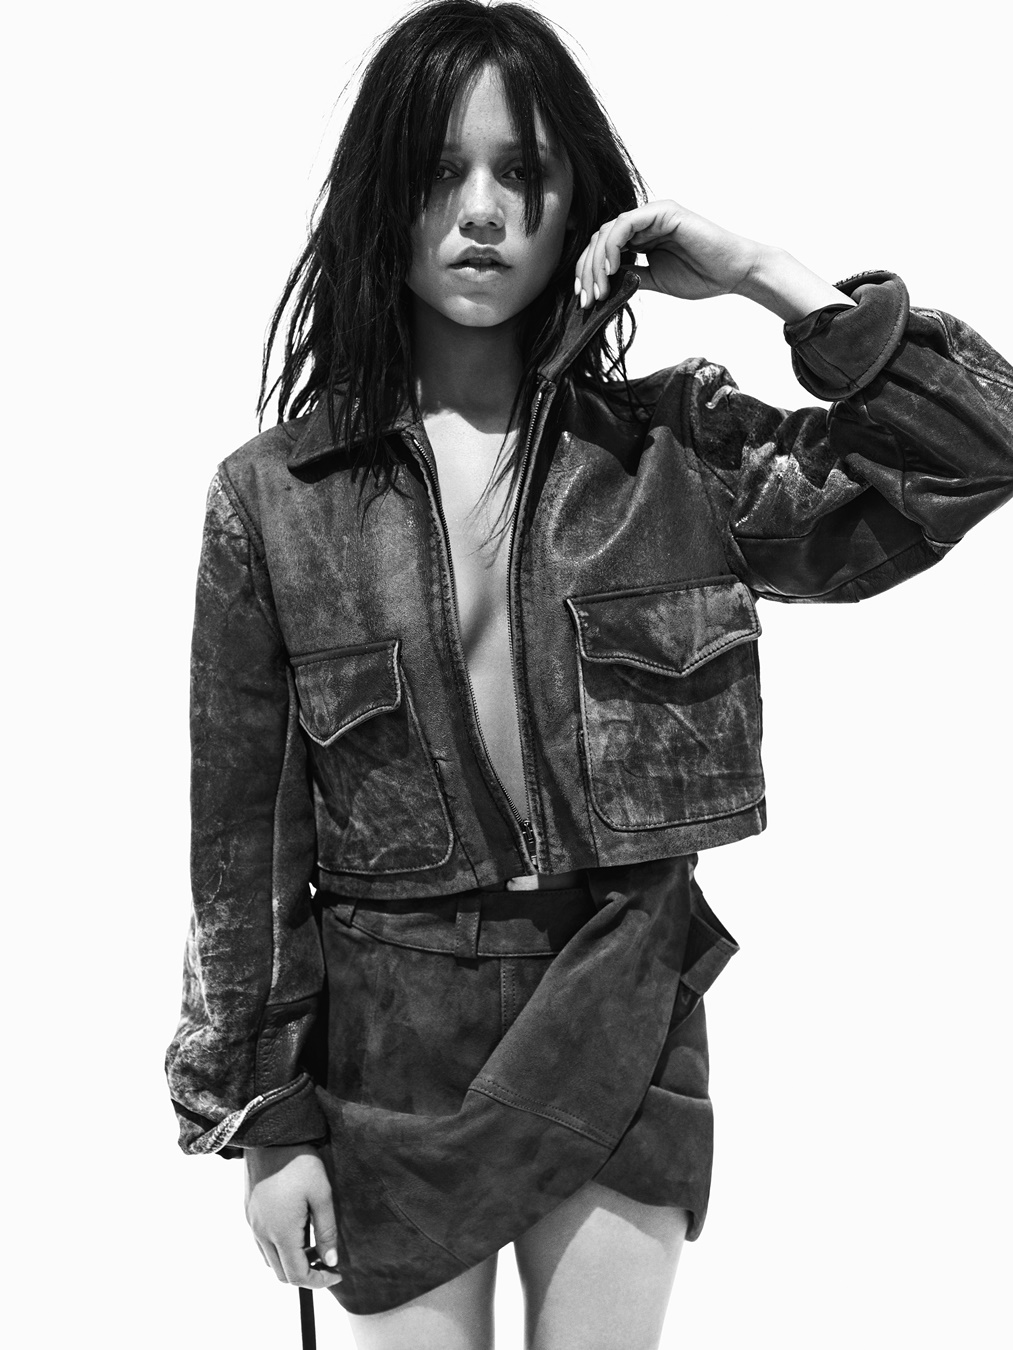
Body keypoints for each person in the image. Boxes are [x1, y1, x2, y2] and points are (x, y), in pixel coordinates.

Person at [165, 2, 1013, 1346]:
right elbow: (241, 852)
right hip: (390, 1037)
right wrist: (267, 1123)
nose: (483, 211)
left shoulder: (673, 455)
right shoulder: (274, 499)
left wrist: (766, 274)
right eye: (441, 171)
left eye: (524, 172)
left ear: (579, 204)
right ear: (381, 194)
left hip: (618, 996)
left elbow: (972, 452)